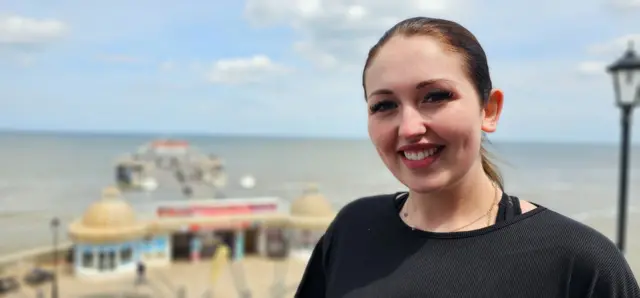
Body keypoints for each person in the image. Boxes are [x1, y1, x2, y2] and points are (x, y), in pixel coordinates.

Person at [295, 17, 640, 298]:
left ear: (489, 109)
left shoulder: (579, 262)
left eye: (435, 96)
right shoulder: (353, 229)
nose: (409, 127)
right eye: (384, 105)